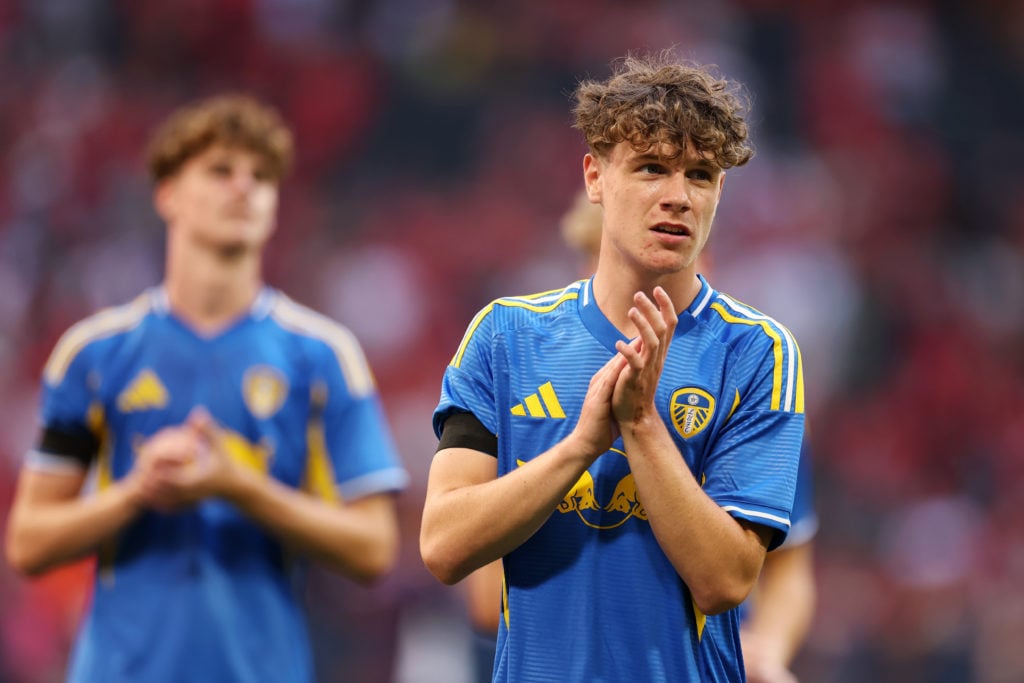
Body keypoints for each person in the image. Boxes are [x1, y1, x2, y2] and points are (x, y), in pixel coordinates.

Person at [421, 52, 805, 682]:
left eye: (701, 175)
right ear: (595, 178)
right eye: (652, 168)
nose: (678, 197)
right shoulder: (506, 335)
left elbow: (726, 581)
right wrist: (582, 444)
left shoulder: (758, 352)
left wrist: (642, 426)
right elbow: (442, 546)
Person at [4, 94, 409, 683]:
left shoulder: (324, 356)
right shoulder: (93, 354)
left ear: (274, 210)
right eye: (221, 171)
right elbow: (28, 542)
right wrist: (138, 491)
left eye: (262, 178)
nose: (244, 188)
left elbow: (374, 548)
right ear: (167, 195)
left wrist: (239, 487)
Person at [464, 193, 819, 682]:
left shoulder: (754, 383)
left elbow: (783, 568)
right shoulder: (523, 358)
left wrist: (767, 651)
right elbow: (483, 594)